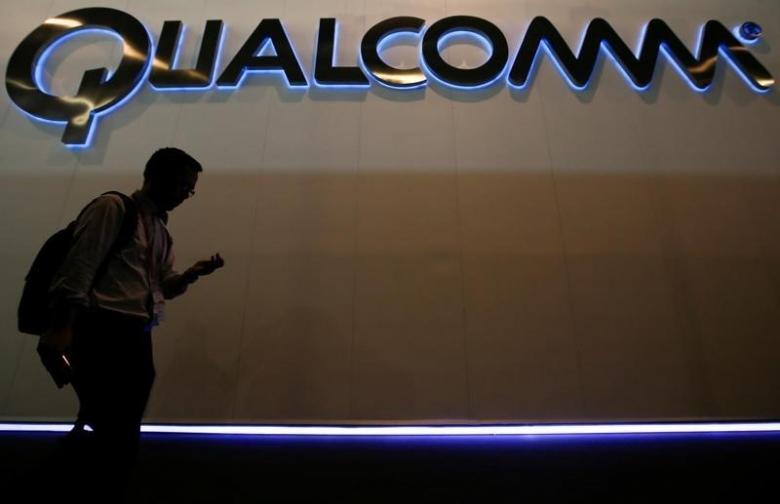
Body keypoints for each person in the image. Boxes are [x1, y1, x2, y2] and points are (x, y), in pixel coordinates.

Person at [37, 147, 224, 501]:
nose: (186, 195)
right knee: (115, 426)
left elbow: (162, 287)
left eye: (191, 189)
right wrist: (63, 327)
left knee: (120, 424)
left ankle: (92, 479)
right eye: (183, 185)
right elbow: (79, 267)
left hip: (135, 335)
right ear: (154, 177)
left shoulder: (159, 229)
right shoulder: (113, 208)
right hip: (100, 331)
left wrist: (192, 275)